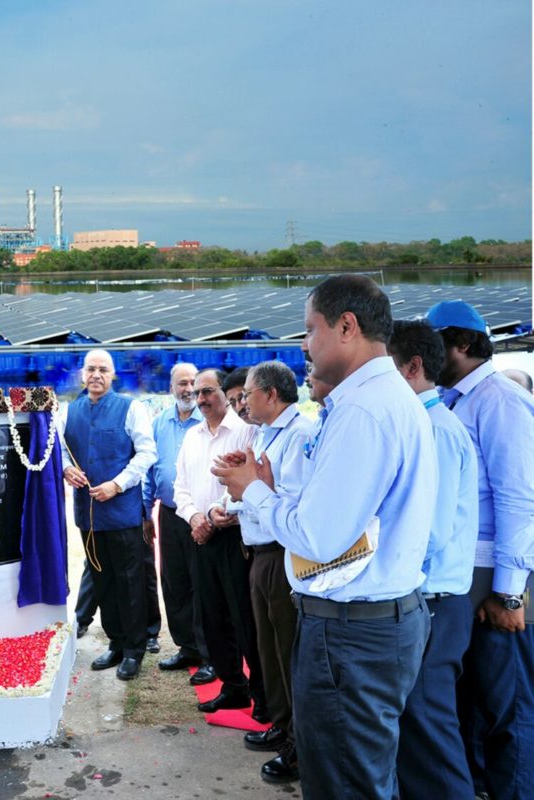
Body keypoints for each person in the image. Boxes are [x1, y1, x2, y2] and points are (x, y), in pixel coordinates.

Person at [215, 274, 436, 800]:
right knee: (361, 772)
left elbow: (319, 536)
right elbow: (341, 515)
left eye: (309, 329)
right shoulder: (381, 399)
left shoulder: (362, 410)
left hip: (351, 634)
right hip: (372, 625)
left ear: (346, 326)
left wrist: (253, 492)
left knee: (344, 780)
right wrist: (272, 489)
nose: (303, 345)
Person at [427, 300, 534, 800]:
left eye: (436, 344)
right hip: (465, 574)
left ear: (464, 344)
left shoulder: (499, 400)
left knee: (507, 708)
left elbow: (518, 497)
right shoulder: (454, 399)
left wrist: (510, 592)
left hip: (495, 575)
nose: (427, 356)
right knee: (469, 702)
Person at [388, 319, 479, 800]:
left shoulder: (436, 430)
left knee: (429, 728)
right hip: (424, 600)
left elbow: (433, 531)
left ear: (413, 368)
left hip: (434, 602)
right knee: (415, 727)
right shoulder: (425, 424)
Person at [218, 360, 312, 784]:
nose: (242, 404)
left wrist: (251, 488)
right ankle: (281, 724)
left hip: (282, 553)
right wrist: (237, 495)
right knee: (269, 649)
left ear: (272, 395)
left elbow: (291, 501)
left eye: (248, 395)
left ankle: (299, 744)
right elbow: (258, 495)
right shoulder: (263, 434)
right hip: (259, 551)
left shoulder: (300, 435)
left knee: (288, 651)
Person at [60, 349, 156, 680]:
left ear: (112, 375)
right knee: (103, 583)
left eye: (103, 369)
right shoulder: (68, 411)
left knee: (130, 583)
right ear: (82, 374)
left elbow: (147, 453)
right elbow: (57, 451)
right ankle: (115, 643)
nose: (97, 375)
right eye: (91, 369)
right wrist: (66, 469)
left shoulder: (132, 408)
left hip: (121, 512)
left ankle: (134, 650)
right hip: (88, 517)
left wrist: (117, 484)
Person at [173, 368, 263, 715]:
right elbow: (180, 486)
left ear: (226, 393)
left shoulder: (246, 431)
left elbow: (246, 484)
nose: (201, 399)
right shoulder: (192, 435)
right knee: (212, 618)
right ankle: (233, 686)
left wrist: (211, 518)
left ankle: (262, 693)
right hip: (199, 536)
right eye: (197, 393)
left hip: (234, 537)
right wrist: (196, 517)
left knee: (244, 618)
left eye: (208, 391)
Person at [142, 362, 213, 683]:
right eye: (182, 383)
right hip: (169, 514)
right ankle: (187, 647)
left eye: (192, 384)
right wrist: (146, 513)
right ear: (171, 387)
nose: (187, 389)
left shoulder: (208, 422)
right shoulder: (159, 423)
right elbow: (149, 471)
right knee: (175, 583)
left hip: (201, 516)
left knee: (204, 585)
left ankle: (211, 652)